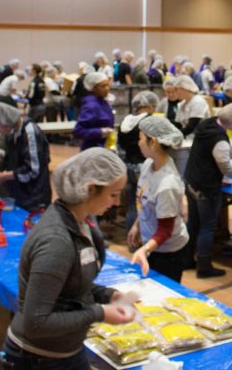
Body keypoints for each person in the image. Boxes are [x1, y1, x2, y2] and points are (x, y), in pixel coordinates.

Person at [2, 148, 133, 369]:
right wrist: (99, 313)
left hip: (67, 351)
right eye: (113, 194)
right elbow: (36, 322)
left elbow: (71, 285)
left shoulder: (82, 221)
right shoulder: (56, 242)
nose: (117, 202)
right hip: (38, 359)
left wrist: (107, 295)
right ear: (90, 189)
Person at [185, 102, 232, 278]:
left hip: (191, 180)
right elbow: (226, 167)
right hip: (206, 187)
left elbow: (231, 151)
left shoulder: (208, 123)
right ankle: (204, 267)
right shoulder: (219, 140)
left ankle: (187, 259)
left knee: (193, 222)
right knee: (207, 225)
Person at [128, 116, 189, 283]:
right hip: (153, 246)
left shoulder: (167, 184)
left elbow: (165, 230)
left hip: (168, 253)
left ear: (153, 142)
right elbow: (144, 200)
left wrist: (145, 250)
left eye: (140, 138)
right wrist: (137, 224)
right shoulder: (149, 164)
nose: (138, 143)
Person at [0, 103, 52, 210]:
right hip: (21, 194)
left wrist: (3, 176)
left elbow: (33, 169)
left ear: (4, 123)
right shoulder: (14, 133)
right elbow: (15, 159)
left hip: (34, 197)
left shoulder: (29, 131)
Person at [119, 91, 159, 230]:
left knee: (132, 204)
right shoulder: (150, 121)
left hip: (128, 165)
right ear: (150, 106)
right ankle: (146, 237)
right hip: (145, 166)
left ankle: (132, 239)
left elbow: (121, 145)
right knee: (147, 204)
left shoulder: (126, 120)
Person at [73, 72, 113, 150]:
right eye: (103, 86)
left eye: (107, 85)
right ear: (94, 88)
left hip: (104, 147)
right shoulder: (91, 106)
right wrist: (100, 132)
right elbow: (78, 131)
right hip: (92, 149)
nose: (107, 88)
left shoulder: (105, 103)